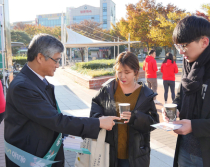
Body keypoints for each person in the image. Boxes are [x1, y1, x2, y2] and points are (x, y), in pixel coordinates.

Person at [4, 34, 120, 167]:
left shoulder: (34, 80)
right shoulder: (23, 87)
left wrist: (68, 134)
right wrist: (98, 123)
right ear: (40, 57)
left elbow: (47, 118)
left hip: (43, 154)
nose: (58, 65)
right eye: (56, 60)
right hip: (31, 158)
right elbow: (56, 120)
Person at [162, 15, 210, 167]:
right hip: (185, 150)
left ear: (204, 42)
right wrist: (173, 109)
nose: (181, 52)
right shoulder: (189, 63)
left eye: (184, 46)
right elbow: (181, 95)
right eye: (177, 47)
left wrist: (194, 126)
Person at [90, 51, 159, 167]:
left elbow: (154, 122)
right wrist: (100, 119)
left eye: (127, 72)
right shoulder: (108, 90)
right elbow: (95, 108)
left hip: (135, 155)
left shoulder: (145, 94)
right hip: (109, 152)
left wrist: (135, 117)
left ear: (136, 72)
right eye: (119, 72)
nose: (122, 76)